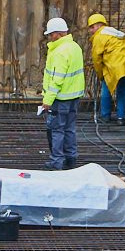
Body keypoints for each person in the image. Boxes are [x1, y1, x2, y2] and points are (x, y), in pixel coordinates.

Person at [37, 16, 85, 170]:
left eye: (51, 34)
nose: (50, 38)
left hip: (60, 99)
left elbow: (57, 80)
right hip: (74, 97)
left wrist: (47, 100)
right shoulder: (75, 47)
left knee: (56, 130)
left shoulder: (59, 52)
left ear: (59, 34)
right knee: (69, 128)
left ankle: (57, 162)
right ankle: (71, 159)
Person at [87, 13, 125, 126]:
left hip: (115, 67)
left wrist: (100, 75)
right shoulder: (114, 33)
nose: (91, 30)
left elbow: (96, 59)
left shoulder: (99, 36)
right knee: (123, 92)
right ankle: (121, 117)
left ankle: (105, 116)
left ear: (99, 26)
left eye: (92, 27)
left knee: (106, 91)